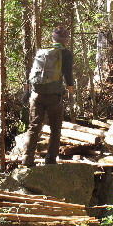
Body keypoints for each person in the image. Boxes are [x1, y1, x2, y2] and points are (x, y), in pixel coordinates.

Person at [22, 26, 75, 166]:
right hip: (54, 97)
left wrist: (26, 92)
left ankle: (27, 158)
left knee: (34, 127)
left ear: (53, 39)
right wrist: (71, 94)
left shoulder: (42, 52)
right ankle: (50, 160)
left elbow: (30, 73)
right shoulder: (66, 54)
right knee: (55, 128)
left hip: (36, 94)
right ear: (66, 40)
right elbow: (68, 76)